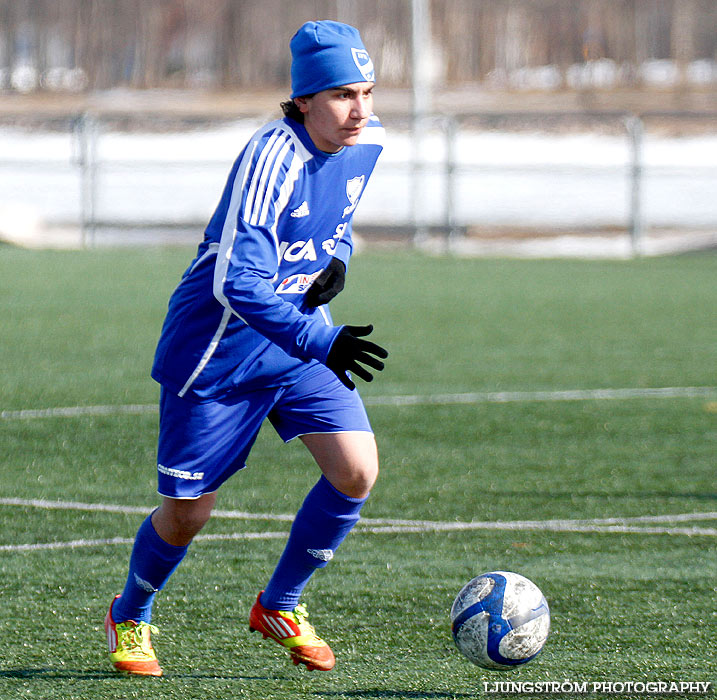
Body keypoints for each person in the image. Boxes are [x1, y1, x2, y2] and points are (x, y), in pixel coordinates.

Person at [104, 20, 388, 676]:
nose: (361, 111)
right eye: (344, 95)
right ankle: (132, 611)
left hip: (292, 342)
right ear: (305, 99)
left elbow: (337, 222)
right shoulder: (272, 157)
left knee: (355, 471)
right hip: (218, 351)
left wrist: (338, 259)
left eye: (368, 92)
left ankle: (279, 605)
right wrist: (321, 337)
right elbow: (237, 283)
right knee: (187, 514)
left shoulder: (365, 141)